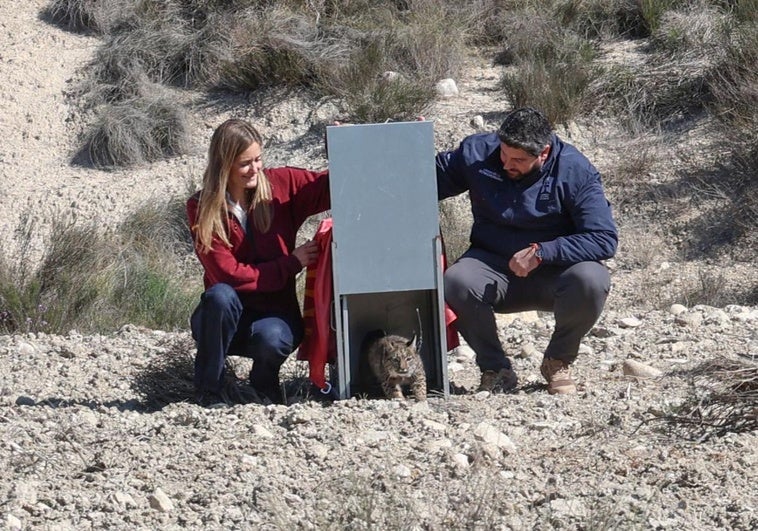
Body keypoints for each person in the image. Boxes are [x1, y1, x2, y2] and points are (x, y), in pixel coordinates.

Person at [436, 107, 618, 395]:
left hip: (556, 274)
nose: (507, 163)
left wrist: (543, 252)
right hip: (493, 266)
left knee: (592, 280)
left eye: (518, 160)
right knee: (455, 280)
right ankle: (495, 369)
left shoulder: (575, 170)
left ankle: (557, 360)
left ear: (543, 153)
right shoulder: (477, 153)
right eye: (504, 154)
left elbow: (603, 238)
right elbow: (422, 180)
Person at [187, 118, 329, 405]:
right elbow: (228, 274)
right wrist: (291, 264)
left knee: (272, 339)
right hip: (226, 321)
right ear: (223, 165)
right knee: (219, 296)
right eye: (245, 163)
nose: (255, 169)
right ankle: (208, 391)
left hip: (274, 317)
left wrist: (340, 147)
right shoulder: (201, 207)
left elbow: (331, 187)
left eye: (258, 159)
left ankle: (264, 387)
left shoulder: (282, 185)